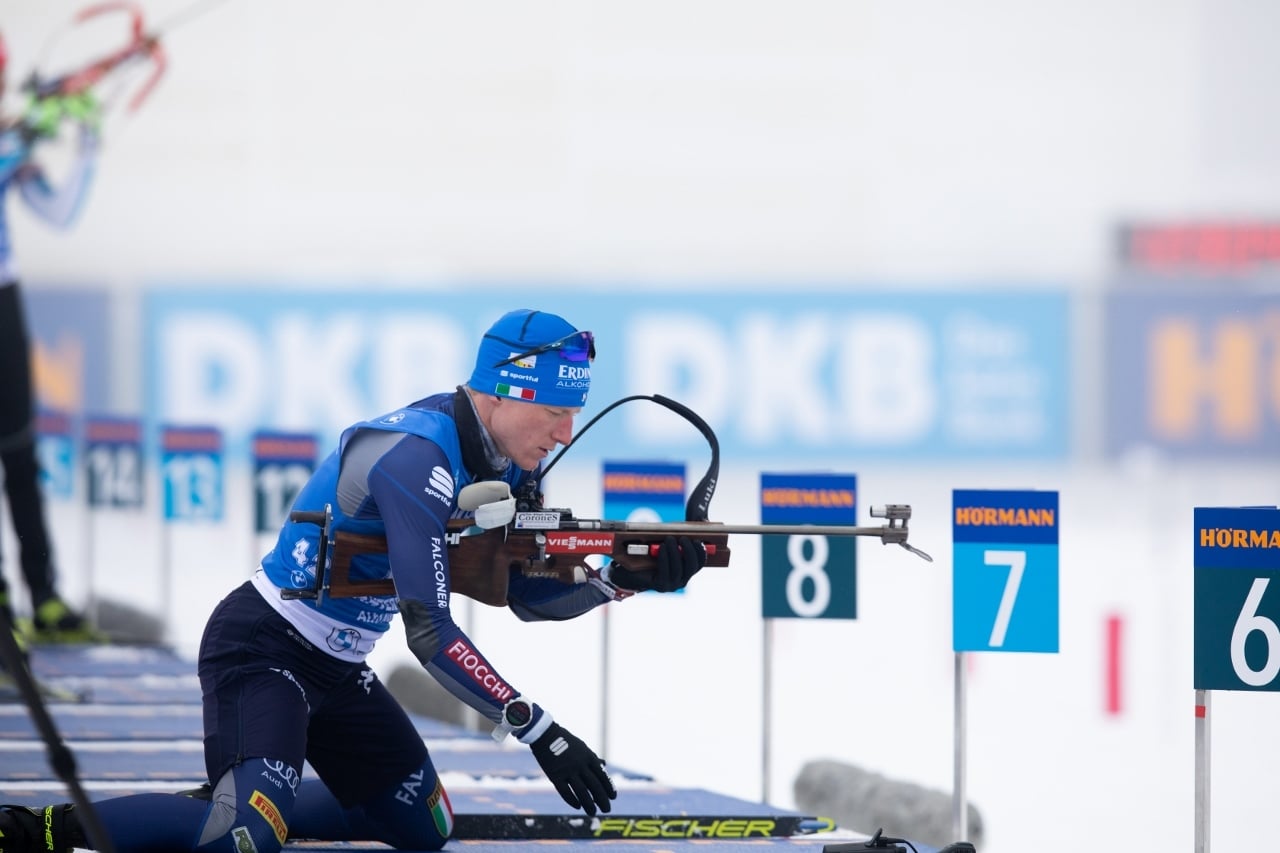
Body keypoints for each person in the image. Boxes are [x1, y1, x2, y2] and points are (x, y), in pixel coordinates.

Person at [0, 308, 708, 852]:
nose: (565, 430)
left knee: (426, 826)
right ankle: (43, 828)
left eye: (573, 412)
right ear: (501, 392)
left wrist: (622, 578)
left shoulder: (504, 464)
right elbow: (429, 633)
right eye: (555, 411)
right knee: (248, 835)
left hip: (337, 668)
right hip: (264, 648)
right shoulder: (416, 457)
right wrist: (538, 727)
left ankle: (244, 786)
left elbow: (523, 597)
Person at [0, 30, 101, 644]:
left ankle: (44, 597)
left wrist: (86, 140)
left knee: (20, 451)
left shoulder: (11, 140)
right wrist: (24, 135)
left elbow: (60, 213)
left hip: (5, 297)